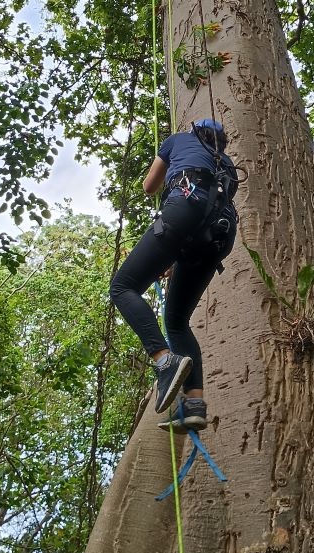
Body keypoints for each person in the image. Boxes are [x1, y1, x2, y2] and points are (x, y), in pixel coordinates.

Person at [109, 119, 239, 432]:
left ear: (196, 131)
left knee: (123, 287)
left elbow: (149, 186)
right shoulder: (227, 163)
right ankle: (194, 405)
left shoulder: (178, 139)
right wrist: (173, 254)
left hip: (185, 203)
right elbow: (210, 203)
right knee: (178, 322)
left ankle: (164, 361)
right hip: (220, 232)